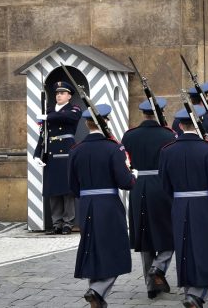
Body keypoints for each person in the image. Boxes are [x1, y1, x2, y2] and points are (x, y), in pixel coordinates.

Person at [159, 106, 208, 308]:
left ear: (180, 126)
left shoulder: (167, 150)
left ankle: (190, 289)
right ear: (198, 124)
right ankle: (196, 295)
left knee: (185, 248)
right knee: (206, 248)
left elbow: (165, 184)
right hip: (204, 205)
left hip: (180, 203)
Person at [68, 104, 135, 308]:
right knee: (114, 249)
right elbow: (126, 182)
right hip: (108, 205)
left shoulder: (76, 150)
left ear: (88, 125)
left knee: (92, 247)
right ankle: (97, 290)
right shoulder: (113, 148)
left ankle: (96, 298)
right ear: (105, 121)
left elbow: (72, 187)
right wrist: (133, 177)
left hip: (87, 204)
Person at [121, 97, 177, 299]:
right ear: (161, 112)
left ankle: (150, 286)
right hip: (161, 186)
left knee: (145, 237)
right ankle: (158, 267)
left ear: (143, 114)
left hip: (138, 187)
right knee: (169, 233)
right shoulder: (169, 134)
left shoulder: (129, 136)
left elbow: (125, 163)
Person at [33, 81, 83, 235]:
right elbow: (43, 135)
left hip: (67, 153)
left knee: (67, 190)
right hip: (52, 153)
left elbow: (71, 118)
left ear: (69, 95)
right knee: (53, 190)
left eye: (62, 93)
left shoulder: (73, 109)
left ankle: (68, 223)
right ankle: (57, 223)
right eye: (57, 93)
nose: (59, 95)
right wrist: (37, 154)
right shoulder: (48, 111)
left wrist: (48, 116)